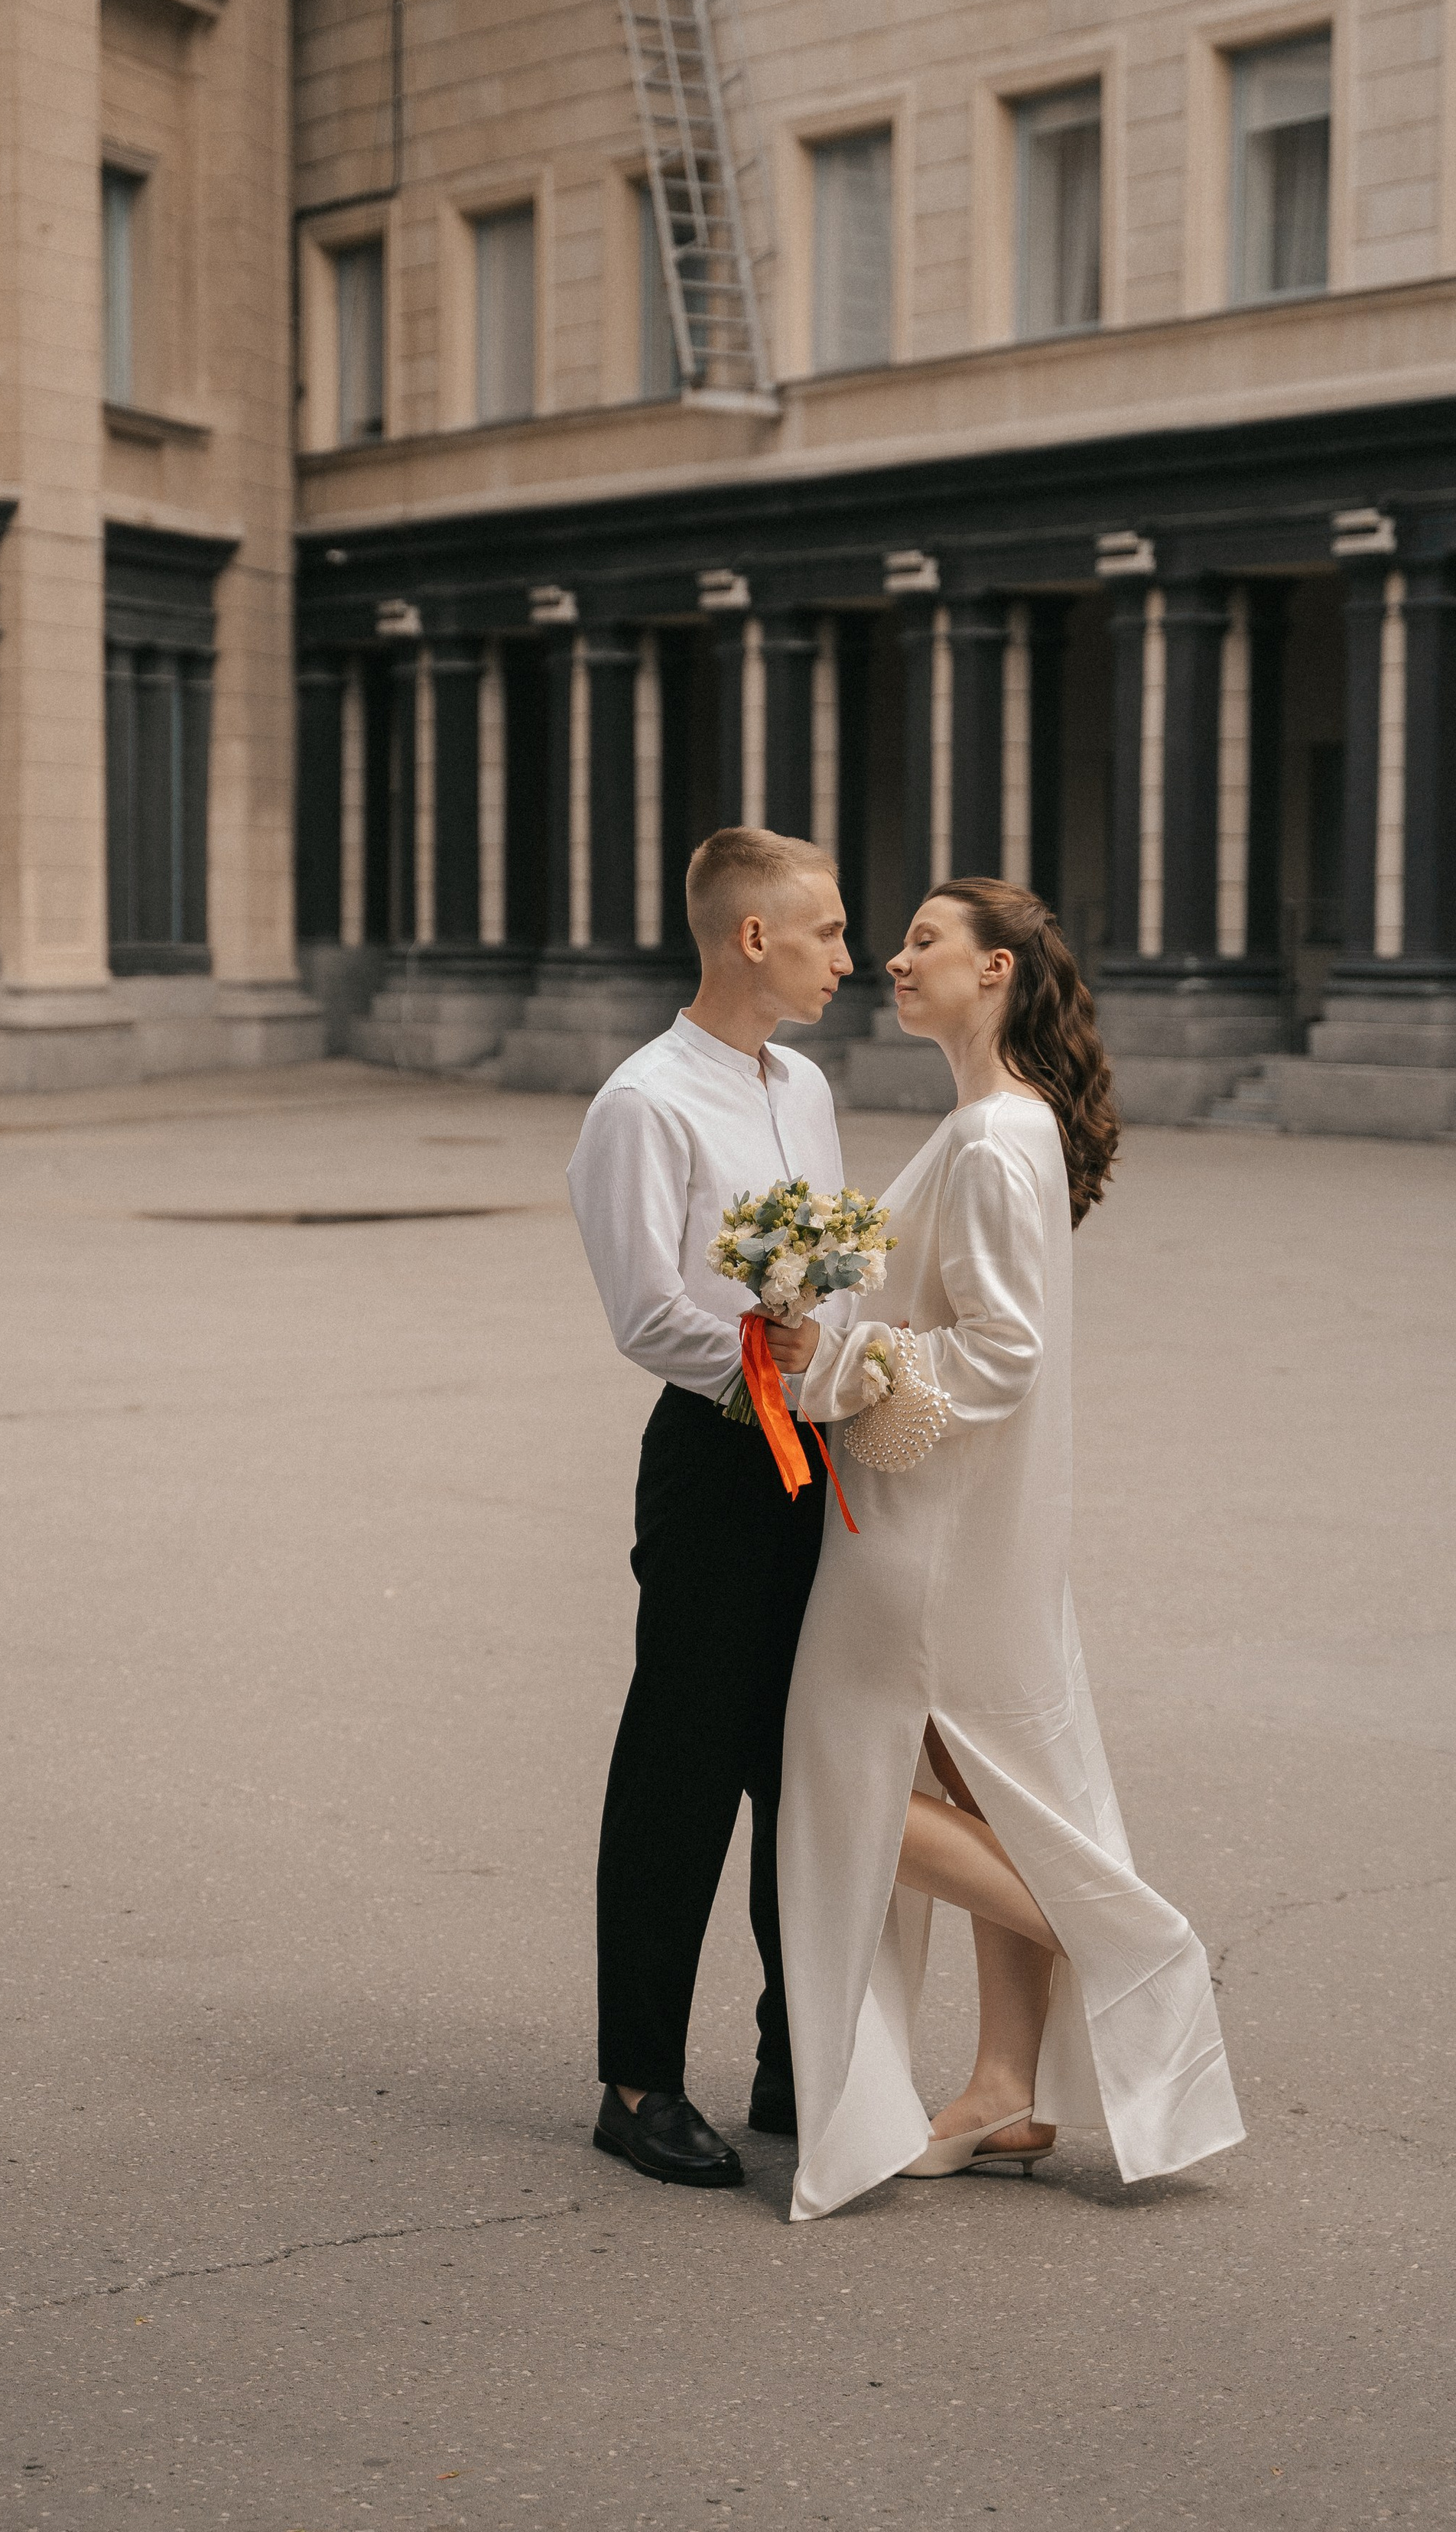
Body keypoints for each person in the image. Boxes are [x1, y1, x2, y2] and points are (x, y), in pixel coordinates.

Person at [773, 878, 1245, 2218]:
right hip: (971, 1521)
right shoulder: (1002, 1122)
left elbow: (1001, 1353)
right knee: (982, 1790)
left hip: (923, 1531)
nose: (895, 958)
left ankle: (1119, 1938)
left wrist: (831, 1361)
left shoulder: (991, 1138)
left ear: (997, 971)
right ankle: (1004, 2090)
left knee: (836, 1786)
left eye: (926, 940)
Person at [567, 827, 854, 2188]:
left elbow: (833, 1268)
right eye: (827, 932)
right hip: (717, 1458)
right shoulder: (645, 1103)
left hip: (822, 1452)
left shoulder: (805, 1084)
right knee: (682, 1771)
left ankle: (793, 2060)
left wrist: (835, 1364)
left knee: (806, 1768)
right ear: (754, 937)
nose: (847, 958)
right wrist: (765, 1365)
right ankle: (636, 2083)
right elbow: (646, 1312)